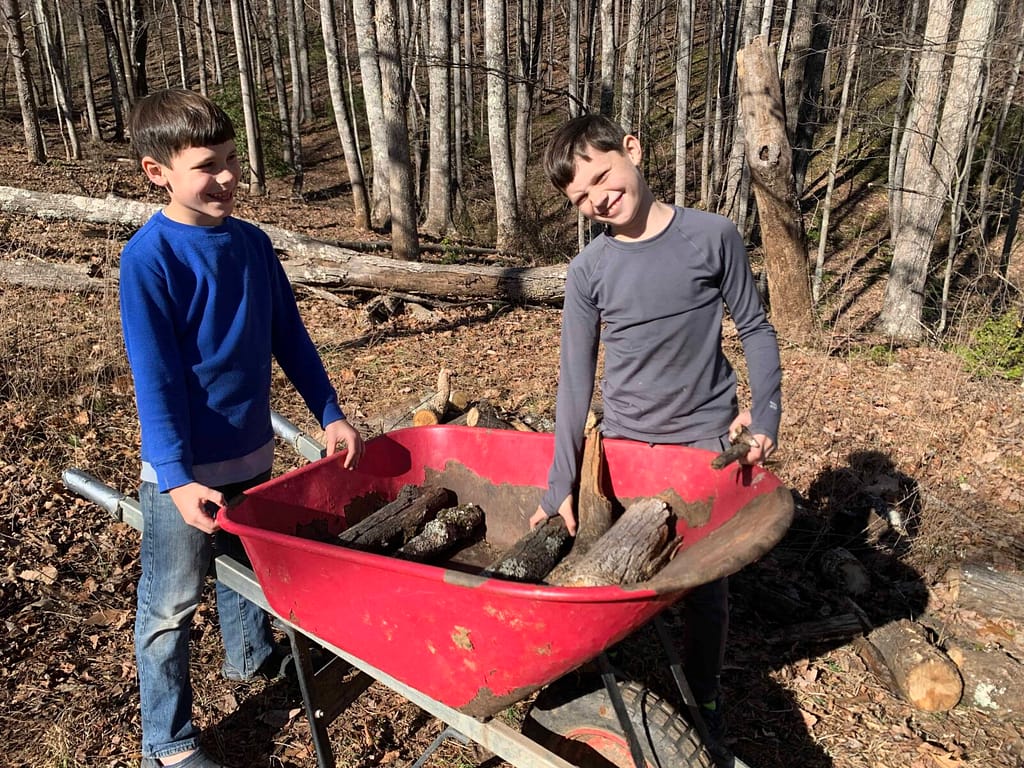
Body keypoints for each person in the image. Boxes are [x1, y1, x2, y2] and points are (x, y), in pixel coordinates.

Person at [119, 88, 364, 768]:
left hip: (250, 453)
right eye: (206, 165)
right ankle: (166, 743)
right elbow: (157, 379)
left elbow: (290, 334)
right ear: (156, 171)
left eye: (230, 159)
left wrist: (330, 411)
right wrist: (174, 478)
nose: (226, 177)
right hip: (186, 474)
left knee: (244, 573)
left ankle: (251, 658)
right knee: (169, 608)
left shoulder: (252, 244)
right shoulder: (150, 258)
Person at [529, 113, 782, 762]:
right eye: (581, 198)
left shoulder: (712, 236)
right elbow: (574, 382)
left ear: (633, 150)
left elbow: (754, 328)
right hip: (622, 452)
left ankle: (702, 701)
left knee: (706, 595)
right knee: (602, 584)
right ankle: (606, 696)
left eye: (603, 177)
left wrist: (765, 415)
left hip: (703, 447)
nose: (598, 199)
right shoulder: (590, 271)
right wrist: (562, 479)